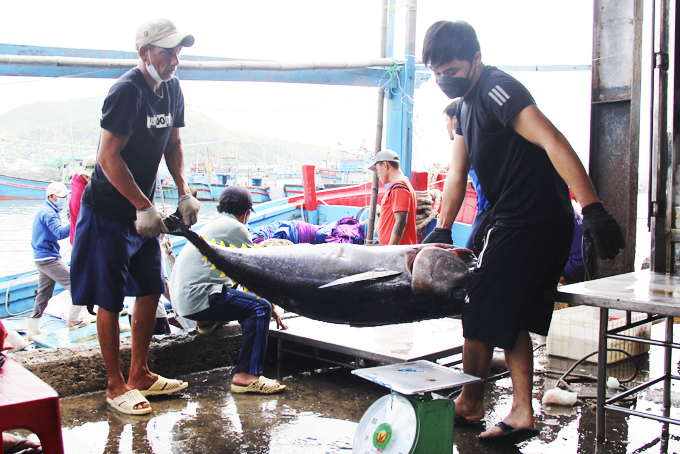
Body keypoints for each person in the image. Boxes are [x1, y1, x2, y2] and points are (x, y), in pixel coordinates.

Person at [421, 21, 624, 443]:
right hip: (515, 219)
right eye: (437, 72)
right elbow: (457, 174)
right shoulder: (463, 108)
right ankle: (520, 411)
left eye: (452, 70)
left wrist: (593, 208)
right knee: (508, 315)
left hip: (529, 217)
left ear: (476, 59)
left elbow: (553, 140)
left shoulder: (499, 90)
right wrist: (441, 229)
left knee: (478, 311)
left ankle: (471, 403)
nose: (444, 79)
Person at [70, 18, 202, 416]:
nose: (175, 60)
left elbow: (174, 144)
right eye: (167, 52)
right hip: (109, 212)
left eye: (179, 51)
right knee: (109, 298)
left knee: (149, 287)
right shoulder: (127, 91)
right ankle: (114, 386)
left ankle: (139, 373)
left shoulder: (173, 89)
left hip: (143, 211)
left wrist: (184, 191)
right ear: (144, 53)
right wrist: (141, 206)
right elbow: (107, 157)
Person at [170, 186, 287, 394]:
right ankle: (246, 376)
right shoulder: (237, 228)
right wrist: (273, 305)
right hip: (199, 297)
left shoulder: (214, 224)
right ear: (247, 213)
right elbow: (255, 274)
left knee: (231, 285)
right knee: (259, 309)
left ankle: (205, 322)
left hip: (183, 301)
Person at [28, 182, 88, 337]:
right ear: (52, 196)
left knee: (44, 294)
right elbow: (59, 233)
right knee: (77, 285)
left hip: (40, 258)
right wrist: (76, 221)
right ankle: (76, 319)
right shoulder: (48, 213)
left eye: (65, 195)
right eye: (62, 196)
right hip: (49, 259)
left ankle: (33, 328)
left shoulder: (45, 208)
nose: (65, 198)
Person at [444, 99, 491, 254]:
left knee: (473, 250)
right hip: (488, 208)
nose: (446, 127)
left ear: (456, 120)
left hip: (491, 208)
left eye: (446, 120)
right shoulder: (481, 139)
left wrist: (443, 229)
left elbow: (457, 174)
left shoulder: (469, 143)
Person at [368, 149, 418, 245]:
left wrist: (390, 250)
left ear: (385, 165)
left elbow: (401, 221)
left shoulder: (399, 186)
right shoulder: (403, 184)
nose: (378, 174)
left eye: (378, 169)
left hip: (398, 254)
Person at [69, 155, 96, 245]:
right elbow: (79, 220)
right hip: (80, 238)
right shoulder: (80, 192)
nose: (89, 178)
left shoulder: (77, 179)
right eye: (87, 176)